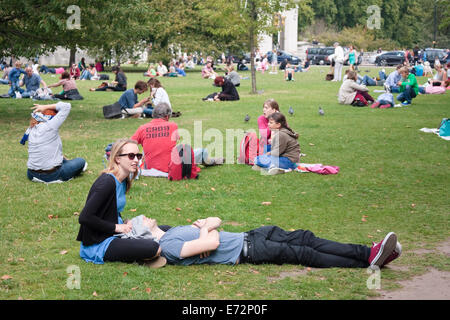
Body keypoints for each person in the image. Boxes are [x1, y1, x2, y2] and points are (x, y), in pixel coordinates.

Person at [143, 216, 401, 269]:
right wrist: (207, 228)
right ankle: (367, 261)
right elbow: (210, 242)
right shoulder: (169, 248)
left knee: (306, 238)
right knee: (304, 254)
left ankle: (370, 252)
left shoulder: (173, 231)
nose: (144, 216)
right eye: (140, 219)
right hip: (250, 251)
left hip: (253, 235)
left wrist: (209, 225)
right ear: (144, 233)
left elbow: (216, 220)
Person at [76, 138, 168, 266]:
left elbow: (111, 209)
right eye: (131, 156)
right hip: (100, 242)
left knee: (165, 230)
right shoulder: (106, 182)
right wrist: (117, 227)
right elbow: (85, 217)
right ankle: (146, 256)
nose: (136, 160)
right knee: (153, 247)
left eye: (138, 156)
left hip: (116, 233)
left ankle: (145, 254)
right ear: (117, 158)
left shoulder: (123, 180)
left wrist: (125, 222)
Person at [131, 103, 223, 176]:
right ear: (167, 116)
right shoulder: (172, 126)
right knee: (202, 152)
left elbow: (130, 144)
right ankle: (212, 161)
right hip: (171, 167)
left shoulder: (142, 128)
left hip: (150, 167)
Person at [22, 102, 87, 183]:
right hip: (52, 175)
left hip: (31, 174)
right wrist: (45, 106)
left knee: (63, 160)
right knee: (81, 161)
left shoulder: (31, 129)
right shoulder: (50, 125)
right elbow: (66, 106)